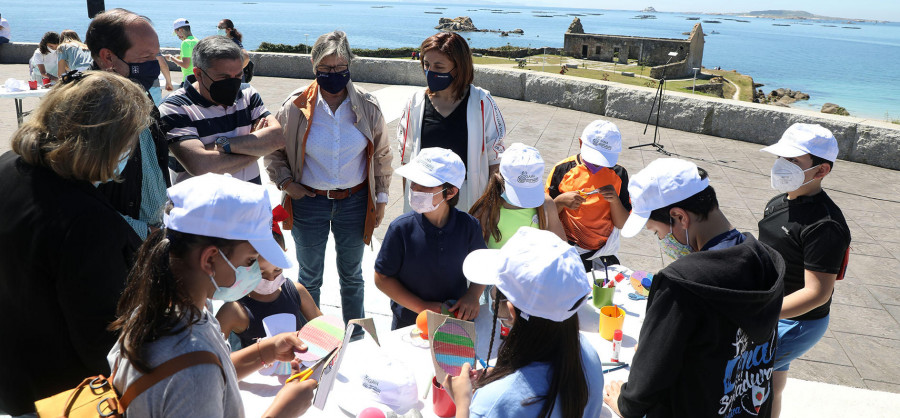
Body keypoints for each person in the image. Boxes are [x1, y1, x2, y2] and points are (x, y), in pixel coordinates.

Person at [0, 71, 149, 416]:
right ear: (108, 141)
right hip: (62, 396)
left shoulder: (8, 168)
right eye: (130, 139)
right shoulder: (88, 222)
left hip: (13, 375)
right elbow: (102, 339)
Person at [108, 173, 315, 416]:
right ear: (210, 259)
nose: (256, 273)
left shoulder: (158, 309)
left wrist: (266, 351)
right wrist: (283, 411)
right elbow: (200, 373)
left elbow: (215, 369)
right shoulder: (194, 369)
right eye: (250, 260)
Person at [603, 158, 785, 418]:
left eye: (657, 232)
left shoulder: (681, 283)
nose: (662, 240)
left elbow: (648, 379)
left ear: (679, 217)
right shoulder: (766, 259)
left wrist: (624, 403)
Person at [265, 30, 392, 330]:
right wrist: (286, 183)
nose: (333, 74)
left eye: (339, 68)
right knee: (309, 278)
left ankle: (356, 337)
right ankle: (313, 338)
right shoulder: (294, 107)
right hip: (308, 204)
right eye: (325, 68)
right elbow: (274, 152)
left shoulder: (368, 106)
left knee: (352, 276)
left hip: (355, 202)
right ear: (314, 65)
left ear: (349, 64)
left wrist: (382, 198)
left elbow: (383, 155)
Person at [445, 227, 604, 418]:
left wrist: (463, 403)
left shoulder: (493, 403)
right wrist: (501, 373)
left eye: (496, 287)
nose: (492, 293)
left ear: (511, 310)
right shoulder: (588, 354)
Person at [756, 123, 851, 418]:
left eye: (794, 161)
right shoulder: (779, 201)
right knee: (772, 384)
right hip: (773, 310)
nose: (782, 166)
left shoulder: (825, 224)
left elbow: (817, 293)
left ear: (821, 171)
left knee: (752, 383)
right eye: (781, 158)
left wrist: (760, 312)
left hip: (795, 322)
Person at [374, 148, 486, 329]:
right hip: (409, 323)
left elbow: (482, 267)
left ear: (450, 192)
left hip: (454, 321)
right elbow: (382, 277)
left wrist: (473, 295)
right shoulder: (400, 229)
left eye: (424, 184)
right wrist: (421, 307)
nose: (414, 188)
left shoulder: (469, 227)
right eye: (414, 181)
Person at [86, 8, 172, 240]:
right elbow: (72, 197)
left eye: (156, 55)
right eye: (145, 58)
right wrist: (141, 231)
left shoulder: (135, 91)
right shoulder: (94, 112)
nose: (154, 65)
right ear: (108, 58)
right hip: (118, 246)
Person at [397, 32, 506, 213]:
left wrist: (488, 208)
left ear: (459, 68)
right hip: (424, 199)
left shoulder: (481, 102)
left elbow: (495, 161)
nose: (430, 71)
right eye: (426, 65)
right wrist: (409, 207)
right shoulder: (415, 103)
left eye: (439, 67)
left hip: (468, 199)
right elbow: (406, 159)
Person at [162, 35, 284, 185]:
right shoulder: (174, 107)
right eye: (224, 77)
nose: (233, 83)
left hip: (250, 203)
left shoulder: (247, 93)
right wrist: (256, 149)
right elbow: (201, 166)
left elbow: (277, 138)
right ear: (198, 74)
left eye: (238, 75)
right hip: (204, 207)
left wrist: (222, 144)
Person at [216, 206, 323, 350]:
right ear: (242, 265)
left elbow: (325, 331)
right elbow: (211, 356)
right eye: (261, 273)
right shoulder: (234, 310)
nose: (271, 279)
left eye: (277, 270)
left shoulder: (296, 291)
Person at [546, 119, 630, 272]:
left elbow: (623, 224)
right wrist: (560, 202)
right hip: (565, 247)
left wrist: (615, 201)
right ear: (580, 143)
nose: (597, 166)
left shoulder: (619, 175)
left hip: (602, 252)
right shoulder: (563, 170)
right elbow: (543, 217)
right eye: (594, 158)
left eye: (603, 160)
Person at [469, 142, 565, 249]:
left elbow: (562, 249)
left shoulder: (547, 205)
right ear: (502, 178)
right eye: (519, 192)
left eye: (529, 191)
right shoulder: (486, 209)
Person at [165, 18, 199, 87]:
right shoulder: (197, 41)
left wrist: (171, 58)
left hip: (188, 79)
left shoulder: (185, 43)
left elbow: (185, 65)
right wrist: (180, 57)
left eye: (177, 34)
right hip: (197, 79)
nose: (178, 37)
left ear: (181, 30)